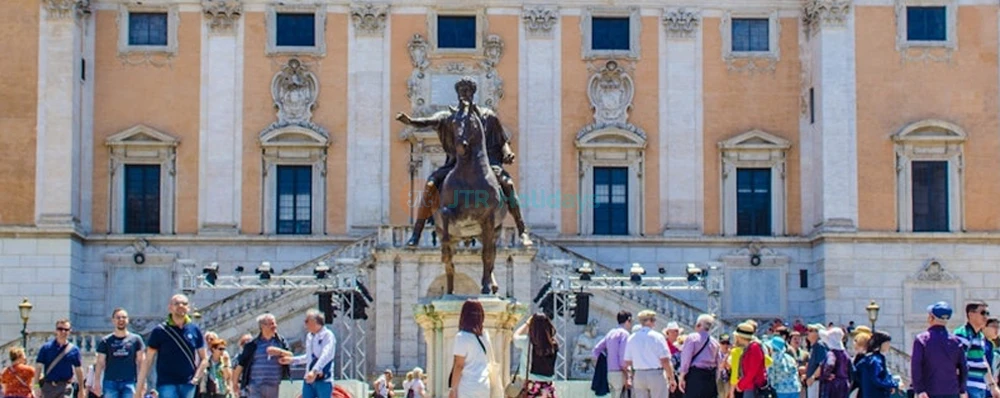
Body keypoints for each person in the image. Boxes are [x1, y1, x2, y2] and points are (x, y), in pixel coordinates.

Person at [395, 77, 532, 248]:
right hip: (455, 164)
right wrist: (410, 121)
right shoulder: (450, 117)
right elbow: (429, 121)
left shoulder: (488, 116)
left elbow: (502, 140)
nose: (464, 95)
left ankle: (522, 230)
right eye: (461, 92)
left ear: (473, 93)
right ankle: (416, 233)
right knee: (430, 185)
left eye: (467, 91)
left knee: (508, 184)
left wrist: (508, 152)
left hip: (487, 163)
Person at [136, 294, 209, 398]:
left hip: (188, 383)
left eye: (184, 304)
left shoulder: (194, 329)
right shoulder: (160, 331)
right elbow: (148, 360)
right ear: (170, 307)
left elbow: (204, 358)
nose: (181, 306)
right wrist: (140, 387)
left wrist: (196, 378)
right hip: (166, 383)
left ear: (188, 308)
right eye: (177, 303)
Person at [911, 301, 968, 398]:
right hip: (952, 391)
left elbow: (916, 366)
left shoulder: (921, 339)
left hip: (929, 391)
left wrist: (920, 390)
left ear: (931, 317)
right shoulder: (956, 341)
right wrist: (962, 389)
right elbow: (963, 367)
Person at [276, 310, 335, 398]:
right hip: (309, 379)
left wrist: (314, 371)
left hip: (323, 379)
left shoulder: (328, 335)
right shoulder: (310, 336)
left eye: (307, 321)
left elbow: (326, 355)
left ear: (314, 321)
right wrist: (292, 360)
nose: (305, 324)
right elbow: (309, 357)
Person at [94, 308, 146, 398]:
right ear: (113, 320)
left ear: (128, 320)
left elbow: (141, 362)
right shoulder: (106, 341)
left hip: (130, 382)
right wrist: (97, 382)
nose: (121, 320)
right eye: (118, 318)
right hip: (110, 383)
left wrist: (143, 382)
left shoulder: (136, 340)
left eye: (123, 317)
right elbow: (100, 363)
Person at [233, 314, 289, 398]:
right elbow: (241, 365)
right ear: (263, 326)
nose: (275, 326)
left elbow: (291, 356)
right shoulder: (252, 345)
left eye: (275, 323)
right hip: (255, 386)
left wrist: (279, 352)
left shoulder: (280, 342)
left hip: (274, 385)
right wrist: (235, 384)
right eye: (271, 324)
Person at [448, 299, 495, 398]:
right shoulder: (485, 335)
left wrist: (453, 389)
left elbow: (459, 365)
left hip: (468, 386)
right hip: (484, 385)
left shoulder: (462, 336)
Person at [624, 310, 676, 398]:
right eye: (653, 320)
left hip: (639, 374)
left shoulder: (632, 338)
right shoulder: (658, 337)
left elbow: (627, 361)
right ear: (649, 321)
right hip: (655, 374)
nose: (655, 322)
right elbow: (665, 360)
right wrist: (671, 378)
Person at [954, 301, 1000, 398]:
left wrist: (993, 386)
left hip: (980, 386)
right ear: (971, 314)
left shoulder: (980, 336)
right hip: (968, 386)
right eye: (983, 313)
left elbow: (983, 362)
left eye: (987, 313)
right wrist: (961, 390)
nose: (986, 317)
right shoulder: (962, 334)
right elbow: (956, 362)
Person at [34, 319, 86, 398]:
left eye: (66, 329)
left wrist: (81, 389)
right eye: (60, 329)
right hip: (48, 386)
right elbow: (38, 367)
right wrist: (36, 386)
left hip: (65, 387)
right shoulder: (46, 348)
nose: (63, 332)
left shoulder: (74, 350)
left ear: (69, 331)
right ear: (56, 331)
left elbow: (78, 369)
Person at [513, 313, 559, 398]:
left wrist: (527, 323)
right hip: (547, 389)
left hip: (531, 387)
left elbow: (515, 336)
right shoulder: (554, 345)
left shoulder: (527, 342)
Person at [678, 314, 720, 398]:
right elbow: (719, 363)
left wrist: (682, 376)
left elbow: (686, 359)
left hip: (695, 376)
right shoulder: (715, 342)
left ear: (698, 325)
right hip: (710, 377)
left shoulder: (692, 338)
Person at [592, 311, 632, 398]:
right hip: (620, 372)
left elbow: (596, 350)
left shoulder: (610, 333)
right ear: (628, 320)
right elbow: (622, 357)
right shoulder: (625, 334)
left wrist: (598, 365)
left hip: (609, 371)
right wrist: (627, 374)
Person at [855, 331, 898, 398]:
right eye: (887, 343)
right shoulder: (875, 360)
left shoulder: (871, 359)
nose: (888, 346)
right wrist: (893, 384)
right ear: (880, 344)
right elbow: (878, 378)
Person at [734, 322, 767, 398]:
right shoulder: (750, 347)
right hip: (750, 386)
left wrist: (741, 385)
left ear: (740, 337)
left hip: (753, 387)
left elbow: (752, 371)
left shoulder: (754, 348)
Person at [820, 328, 851, 398]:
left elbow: (830, 363)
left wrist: (826, 375)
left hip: (833, 385)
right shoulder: (845, 354)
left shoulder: (831, 353)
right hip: (844, 384)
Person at [803, 324, 828, 398]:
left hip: (816, 382)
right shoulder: (813, 347)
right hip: (812, 382)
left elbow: (823, 364)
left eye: (811, 331)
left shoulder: (819, 345)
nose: (808, 333)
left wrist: (813, 377)